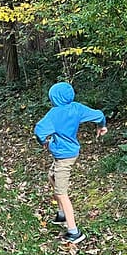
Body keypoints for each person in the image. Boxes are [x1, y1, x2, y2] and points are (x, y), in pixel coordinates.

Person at [33, 81, 107, 244]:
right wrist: (101, 126)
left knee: (61, 192)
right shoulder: (77, 108)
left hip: (64, 157)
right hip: (69, 153)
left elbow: (39, 130)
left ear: (54, 98)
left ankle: (74, 231)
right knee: (51, 176)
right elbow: (99, 115)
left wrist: (43, 141)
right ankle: (61, 214)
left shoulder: (54, 114)